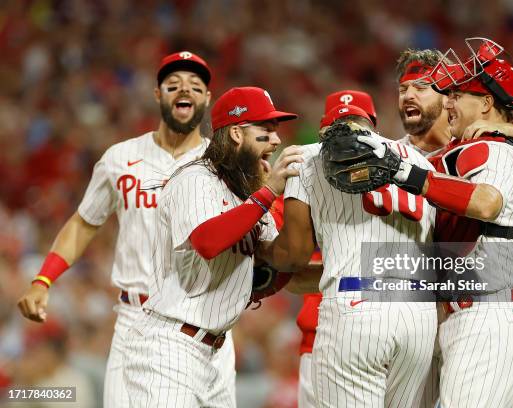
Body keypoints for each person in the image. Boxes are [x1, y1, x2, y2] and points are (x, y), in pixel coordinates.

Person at [16, 51, 217, 408]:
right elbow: (84, 222)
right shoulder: (120, 158)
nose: (184, 90)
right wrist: (43, 280)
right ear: (158, 94)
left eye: (195, 86)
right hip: (131, 318)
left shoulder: (221, 164)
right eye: (173, 85)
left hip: (191, 322)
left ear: (207, 99)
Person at [394, 45, 513, 408]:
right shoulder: (432, 157)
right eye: (405, 88)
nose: (448, 99)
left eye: (451, 91)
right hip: (471, 310)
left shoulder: (496, 146)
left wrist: (507, 138)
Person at [122, 86, 302, 407]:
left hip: (213, 353)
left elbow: (281, 263)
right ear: (235, 133)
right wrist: (268, 193)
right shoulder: (196, 178)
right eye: (266, 130)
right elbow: (207, 241)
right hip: (169, 346)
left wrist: (302, 204)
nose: (276, 140)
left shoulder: (247, 196)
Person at [258, 105, 439, 406]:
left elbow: (294, 257)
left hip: (355, 308)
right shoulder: (419, 160)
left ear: (325, 131)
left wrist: (263, 249)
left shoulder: (307, 156)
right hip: (417, 313)